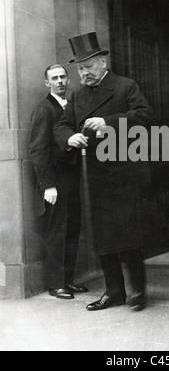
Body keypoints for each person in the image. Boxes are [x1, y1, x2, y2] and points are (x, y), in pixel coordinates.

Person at [54, 32, 154, 312]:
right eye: (80, 68)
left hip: (125, 172)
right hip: (94, 176)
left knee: (130, 233)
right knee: (103, 236)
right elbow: (62, 126)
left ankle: (138, 290)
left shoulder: (125, 87)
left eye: (88, 66)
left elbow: (146, 117)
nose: (83, 73)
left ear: (102, 61)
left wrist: (108, 122)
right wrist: (69, 138)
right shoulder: (77, 96)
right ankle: (114, 292)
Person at [28, 64, 88, 299]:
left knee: (72, 229)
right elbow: (37, 150)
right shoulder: (44, 109)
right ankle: (56, 284)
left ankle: (68, 280)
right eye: (55, 78)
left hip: (72, 178)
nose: (60, 81)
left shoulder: (71, 107)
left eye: (63, 77)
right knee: (57, 232)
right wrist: (48, 185)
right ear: (47, 83)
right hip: (55, 180)